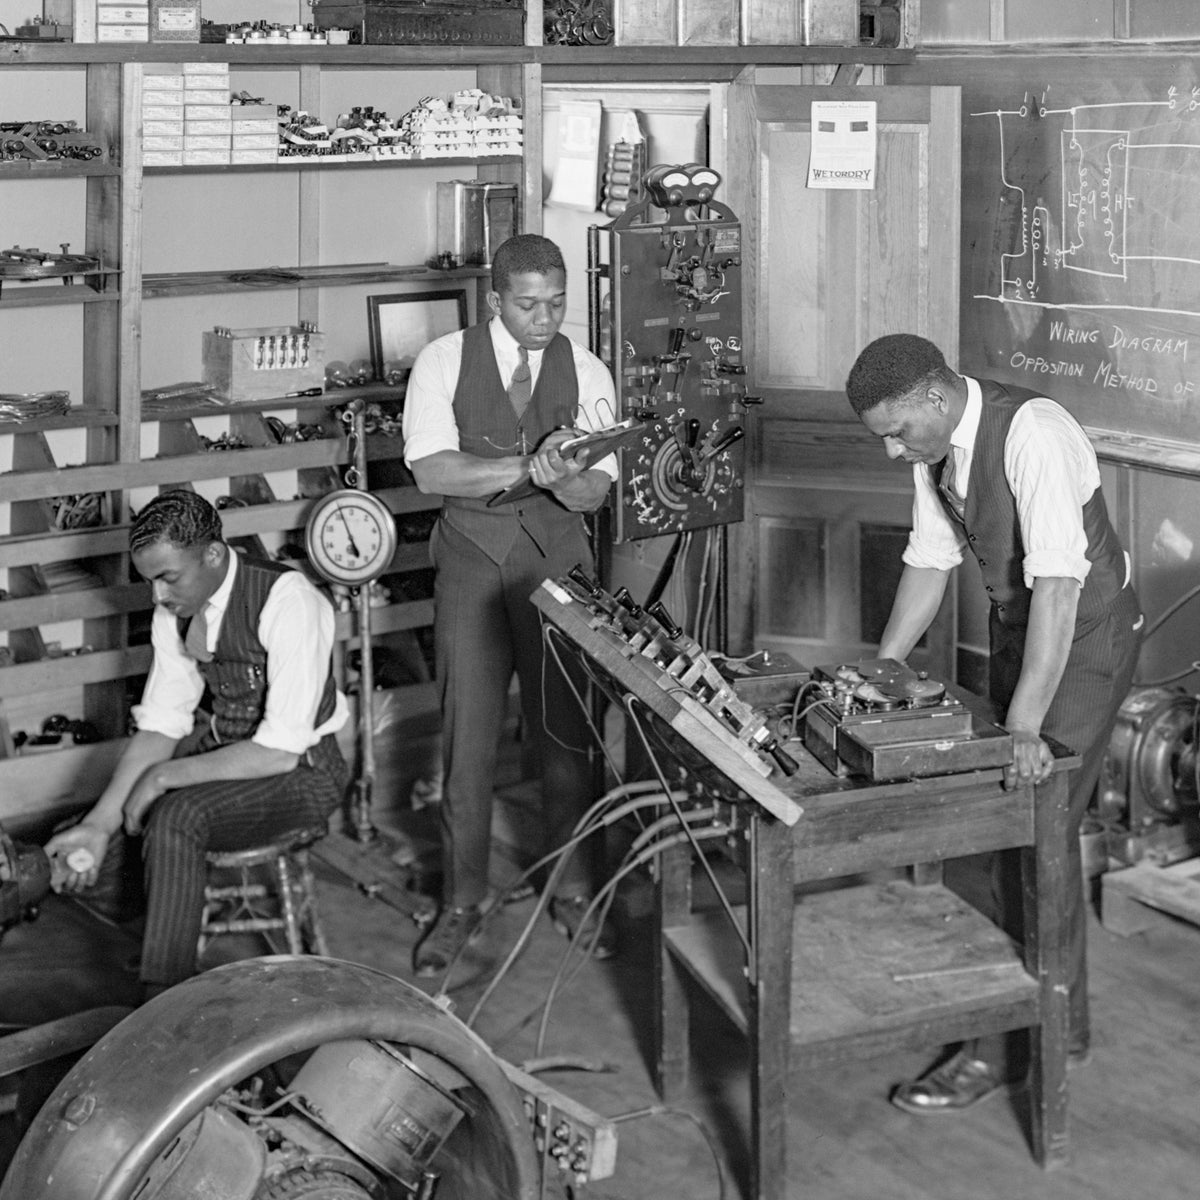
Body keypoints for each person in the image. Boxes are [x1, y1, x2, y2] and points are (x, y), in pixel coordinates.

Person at [844, 334, 1142, 1113]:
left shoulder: (1034, 433)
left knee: (1023, 826)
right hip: (1030, 635)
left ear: (935, 401)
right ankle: (1058, 1023)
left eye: (896, 431)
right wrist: (883, 663)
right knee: (1038, 836)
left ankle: (998, 1050)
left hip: (1085, 642)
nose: (889, 449)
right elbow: (928, 559)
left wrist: (1025, 730)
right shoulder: (934, 449)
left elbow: (1059, 594)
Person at [401, 233, 618, 977]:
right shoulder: (442, 361)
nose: (544, 318)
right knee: (468, 739)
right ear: (495, 299)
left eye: (556, 303)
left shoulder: (587, 369)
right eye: (528, 304)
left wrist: (566, 479)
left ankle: (575, 887)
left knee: (567, 733)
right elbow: (433, 470)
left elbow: (597, 490)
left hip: (559, 563)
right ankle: (462, 900)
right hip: (472, 561)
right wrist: (531, 464)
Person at [46, 489, 349, 1000]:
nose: (158, 598)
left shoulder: (288, 600)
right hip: (227, 752)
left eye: (168, 578)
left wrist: (161, 778)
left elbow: (279, 749)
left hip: (304, 773)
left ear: (212, 554)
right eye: (149, 581)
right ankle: (166, 932)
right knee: (87, 838)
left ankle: (163, 997)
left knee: (176, 816)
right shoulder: (177, 610)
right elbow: (163, 723)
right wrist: (97, 826)